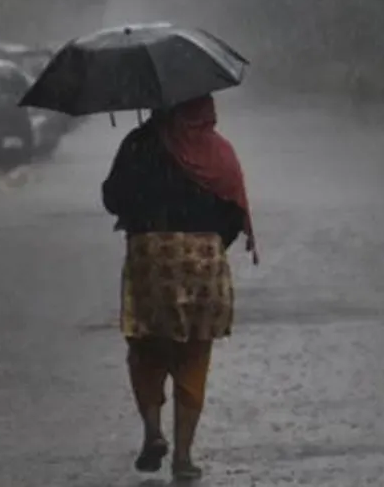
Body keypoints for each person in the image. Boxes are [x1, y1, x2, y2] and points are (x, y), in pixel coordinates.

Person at [102, 94, 258, 480]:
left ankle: (153, 430)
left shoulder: (141, 144)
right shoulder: (218, 150)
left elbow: (112, 197)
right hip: (204, 260)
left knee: (145, 345)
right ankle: (183, 458)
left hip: (150, 257)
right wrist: (208, 242)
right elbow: (235, 209)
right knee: (193, 357)